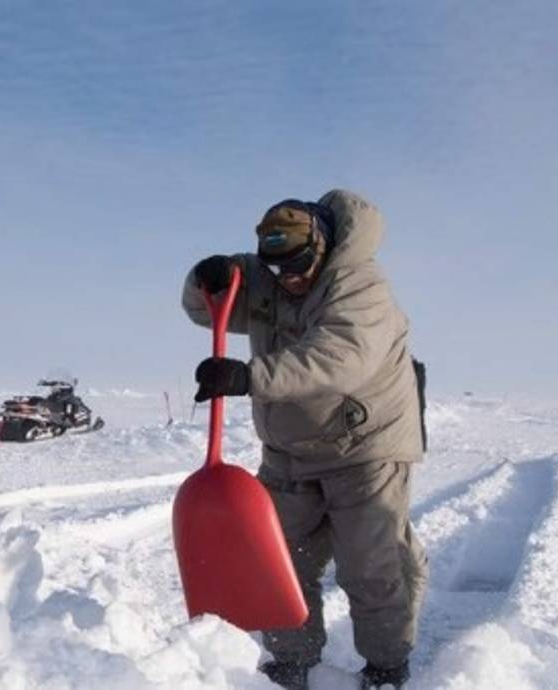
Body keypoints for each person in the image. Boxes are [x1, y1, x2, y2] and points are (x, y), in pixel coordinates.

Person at [181, 191, 428, 690]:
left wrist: (249, 377)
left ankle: (385, 667)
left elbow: (341, 357)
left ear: (321, 244)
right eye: (276, 268)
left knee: (370, 566)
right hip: (290, 453)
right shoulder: (267, 275)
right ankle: (291, 662)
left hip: (365, 446)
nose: (288, 278)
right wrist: (201, 279)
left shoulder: (360, 284)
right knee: (279, 561)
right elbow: (206, 310)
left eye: (297, 265)